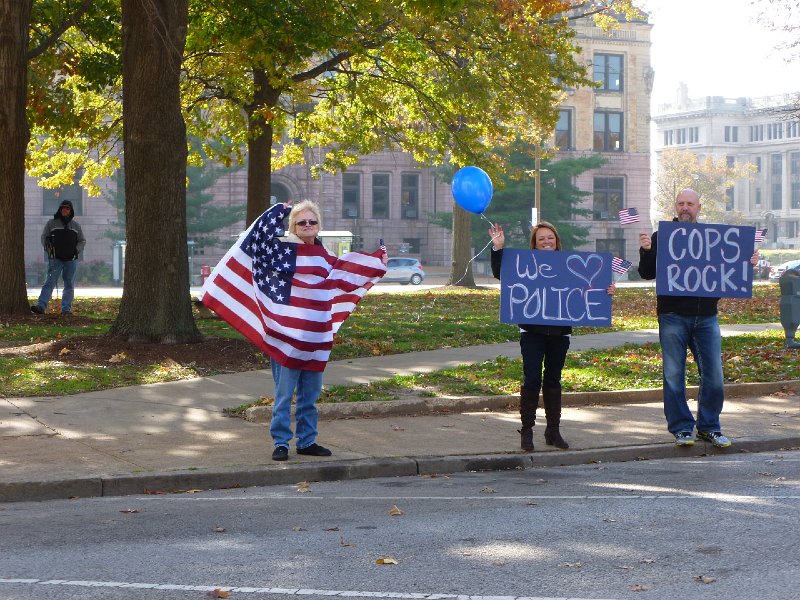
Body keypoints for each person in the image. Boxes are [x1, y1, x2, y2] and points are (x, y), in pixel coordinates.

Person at [638, 188, 758, 449]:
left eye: (690, 203)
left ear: (699, 207)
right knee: (673, 374)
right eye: (680, 203)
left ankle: (709, 427)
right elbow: (646, 273)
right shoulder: (663, 236)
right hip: (672, 316)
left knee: (714, 374)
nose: (684, 207)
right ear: (675, 206)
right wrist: (646, 250)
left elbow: (731, 269)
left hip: (706, 317)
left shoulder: (715, 238)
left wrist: (747, 262)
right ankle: (682, 428)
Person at [270, 200, 388, 461]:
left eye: (312, 222)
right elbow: (255, 248)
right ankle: (280, 442)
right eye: (302, 222)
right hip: (287, 337)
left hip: (316, 336)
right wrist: (276, 211)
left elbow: (344, 273)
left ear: (318, 225)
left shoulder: (324, 257)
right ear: (293, 227)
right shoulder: (282, 252)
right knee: (283, 395)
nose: (308, 226)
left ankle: (307, 441)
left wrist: (376, 263)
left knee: (309, 396)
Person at [489, 221, 615, 452]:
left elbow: (588, 289)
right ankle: (527, 431)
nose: (546, 242)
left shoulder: (569, 265)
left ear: (557, 241)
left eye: (550, 238)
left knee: (553, 379)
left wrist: (606, 290)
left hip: (560, 332)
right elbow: (500, 273)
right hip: (532, 332)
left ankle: (553, 431)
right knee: (532, 379)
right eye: (541, 239)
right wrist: (497, 248)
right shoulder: (525, 264)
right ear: (534, 245)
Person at [31, 199, 86, 315]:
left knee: (69, 284)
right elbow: (44, 238)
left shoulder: (76, 226)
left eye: (67, 208)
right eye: (63, 208)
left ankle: (66, 309)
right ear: (60, 209)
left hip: (71, 260)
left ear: (71, 211)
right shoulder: (51, 223)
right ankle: (41, 306)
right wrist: (49, 251)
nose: (65, 210)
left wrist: (76, 251)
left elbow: (82, 241)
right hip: (55, 259)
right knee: (50, 282)